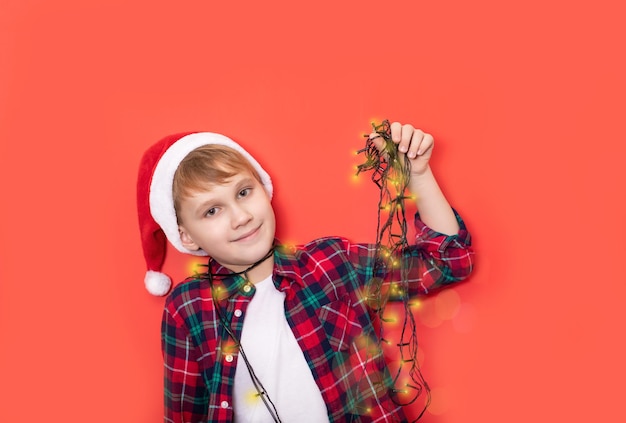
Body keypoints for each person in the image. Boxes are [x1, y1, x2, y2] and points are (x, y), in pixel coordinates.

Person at [136, 122, 474, 423]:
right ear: (185, 235)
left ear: (262, 187)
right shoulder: (188, 308)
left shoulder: (332, 263)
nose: (240, 217)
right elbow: (184, 414)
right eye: (211, 210)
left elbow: (447, 261)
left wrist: (418, 173)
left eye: (243, 192)